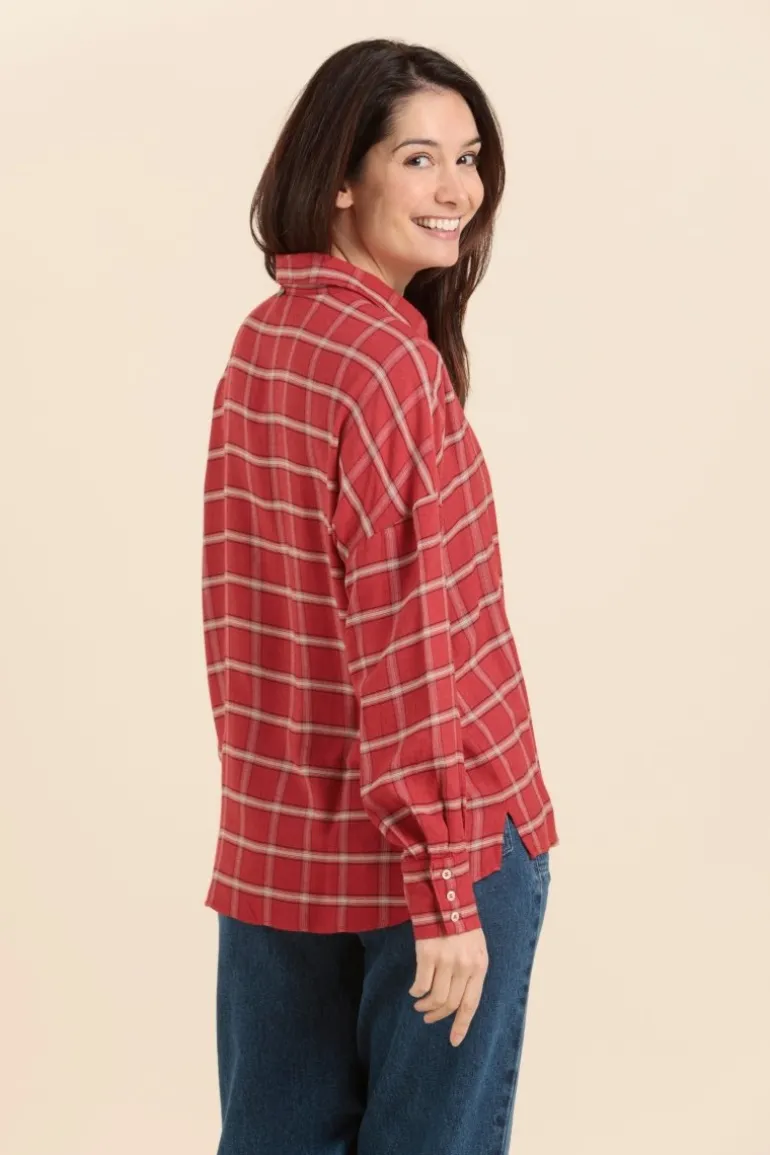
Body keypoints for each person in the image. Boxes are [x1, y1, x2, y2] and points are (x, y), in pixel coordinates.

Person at [201, 37, 559, 1155]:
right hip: (439, 849)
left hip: (282, 846)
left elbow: (245, 627)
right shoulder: (388, 365)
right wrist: (444, 883)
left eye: (468, 157)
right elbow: (411, 643)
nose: (457, 189)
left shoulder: (265, 342)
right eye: (419, 158)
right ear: (342, 177)